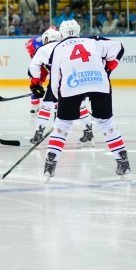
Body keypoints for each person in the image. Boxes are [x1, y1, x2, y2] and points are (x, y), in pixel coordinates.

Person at [30, 19, 129, 178]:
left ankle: (50, 164)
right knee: (106, 123)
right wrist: (107, 70)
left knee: (62, 125)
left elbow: (55, 77)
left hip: (72, 85)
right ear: (78, 32)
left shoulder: (58, 48)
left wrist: (57, 98)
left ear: (61, 34)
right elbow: (119, 48)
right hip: (99, 83)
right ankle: (123, 162)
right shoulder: (93, 41)